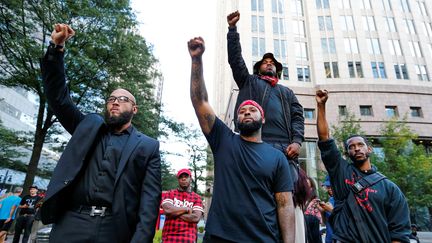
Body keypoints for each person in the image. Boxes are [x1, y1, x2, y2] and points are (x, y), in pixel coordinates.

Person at [40, 23, 161, 243]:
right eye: (111, 99)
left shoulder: (148, 146)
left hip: (115, 229)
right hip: (71, 222)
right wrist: (56, 49)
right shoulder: (87, 127)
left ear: (134, 109)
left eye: (123, 100)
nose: (115, 103)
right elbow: (58, 96)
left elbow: (149, 201)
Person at [188, 36, 295, 242]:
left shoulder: (277, 157)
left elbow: (285, 204)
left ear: (263, 118)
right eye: (242, 110)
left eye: (252, 110)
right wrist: (196, 60)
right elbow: (199, 101)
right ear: (236, 119)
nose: (246, 112)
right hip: (219, 237)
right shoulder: (223, 140)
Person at [227, 11, 307, 242]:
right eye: (265, 62)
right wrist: (232, 31)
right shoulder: (248, 82)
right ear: (258, 68)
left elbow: (298, 118)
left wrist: (297, 142)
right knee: (250, 197)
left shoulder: (287, 92)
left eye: (272, 63)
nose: (269, 64)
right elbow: (235, 60)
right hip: (252, 145)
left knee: (287, 200)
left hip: (284, 151)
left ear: (278, 71)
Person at [315, 89, 411, 242]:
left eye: (360, 144)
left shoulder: (390, 188)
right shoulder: (341, 172)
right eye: (351, 146)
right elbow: (325, 138)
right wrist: (321, 106)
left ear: (369, 149)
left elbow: (399, 230)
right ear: (347, 153)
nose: (357, 148)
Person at [161, 168, 204, 243]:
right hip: (169, 237)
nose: (183, 179)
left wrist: (174, 213)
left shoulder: (197, 198)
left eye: (186, 177)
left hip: (188, 238)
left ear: (190, 179)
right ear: (178, 180)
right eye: (181, 177)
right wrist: (186, 209)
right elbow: (167, 210)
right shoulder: (170, 193)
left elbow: (196, 217)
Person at [304, 178, 322, 243]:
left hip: (312, 233)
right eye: (304, 186)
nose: (305, 188)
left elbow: (318, 219)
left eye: (308, 186)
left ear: (312, 188)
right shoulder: (301, 201)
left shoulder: (315, 201)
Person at [318, 175, 334, 243]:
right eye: (327, 187)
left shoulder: (342, 200)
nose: (329, 189)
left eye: (331, 186)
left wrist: (331, 210)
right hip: (329, 238)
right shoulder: (330, 200)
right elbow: (325, 223)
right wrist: (322, 211)